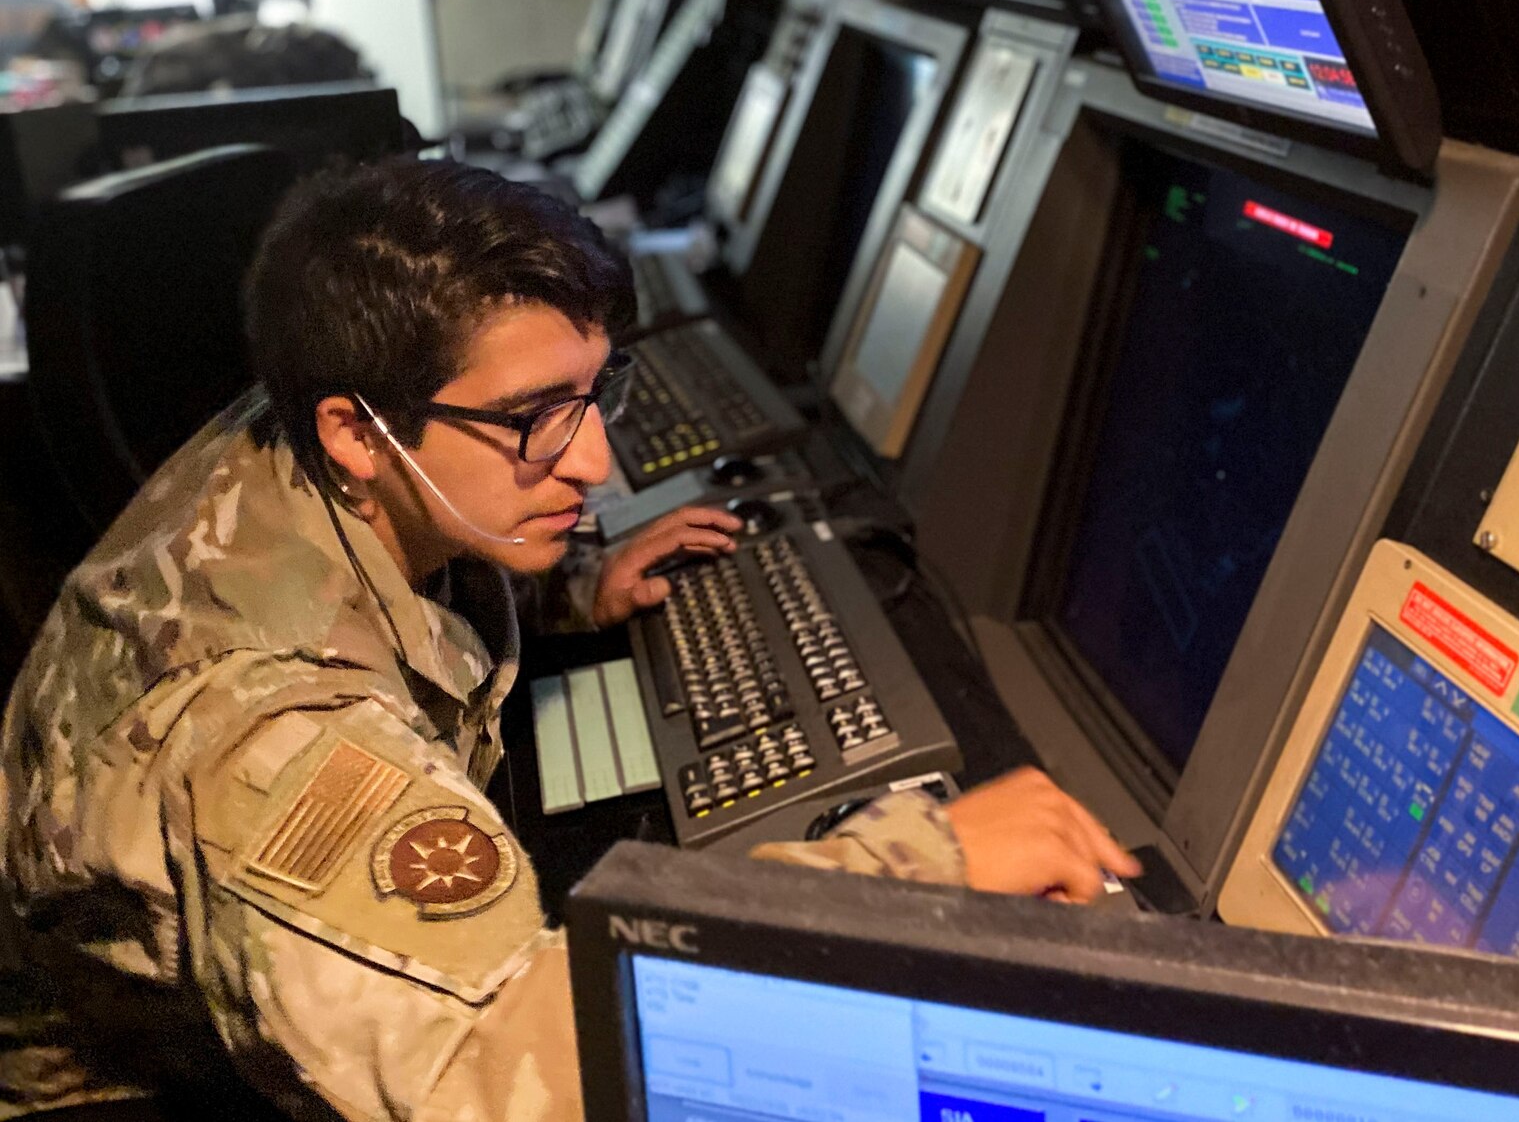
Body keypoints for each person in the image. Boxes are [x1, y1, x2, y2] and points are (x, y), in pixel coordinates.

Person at [0, 160, 1138, 1119]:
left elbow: (372, 567)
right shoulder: (271, 735)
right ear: (357, 430)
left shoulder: (325, 422)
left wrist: (565, 589)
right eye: (532, 417)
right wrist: (916, 866)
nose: (592, 460)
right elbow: (501, 1077)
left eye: (596, 393)